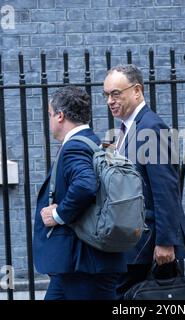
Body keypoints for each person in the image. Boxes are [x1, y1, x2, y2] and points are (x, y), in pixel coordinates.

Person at [103, 64, 185, 298]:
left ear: (137, 91)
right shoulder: (128, 128)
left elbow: (166, 190)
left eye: (116, 93)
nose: (110, 101)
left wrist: (165, 242)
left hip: (149, 245)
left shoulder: (151, 127)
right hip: (132, 244)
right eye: (106, 95)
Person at [33, 85, 126, 300]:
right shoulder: (92, 141)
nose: (49, 120)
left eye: (49, 114)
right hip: (76, 264)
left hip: (84, 264)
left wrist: (58, 215)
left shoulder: (74, 146)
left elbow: (85, 185)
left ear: (60, 116)